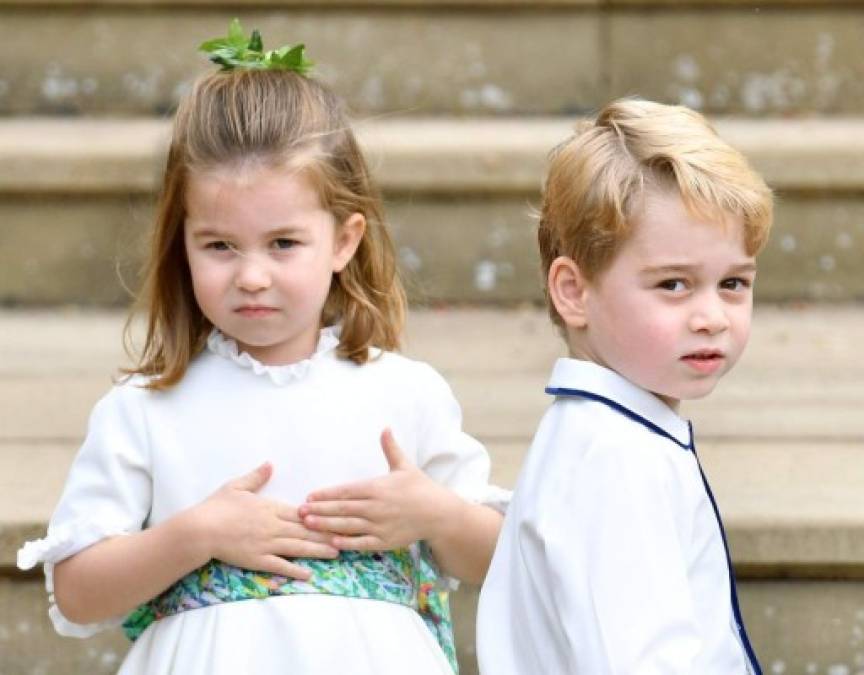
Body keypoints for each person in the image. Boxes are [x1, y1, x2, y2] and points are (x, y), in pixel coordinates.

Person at [17, 21, 506, 675]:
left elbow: (506, 563)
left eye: (283, 243)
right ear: (181, 242)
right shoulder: (147, 408)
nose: (251, 274)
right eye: (219, 245)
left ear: (343, 239)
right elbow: (77, 593)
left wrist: (434, 514)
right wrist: (198, 534)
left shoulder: (404, 392)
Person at [476, 98, 773, 674]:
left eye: (732, 282)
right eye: (674, 284)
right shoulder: (613, 460)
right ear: (573, 291)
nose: (712, 315)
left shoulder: (611, 437)